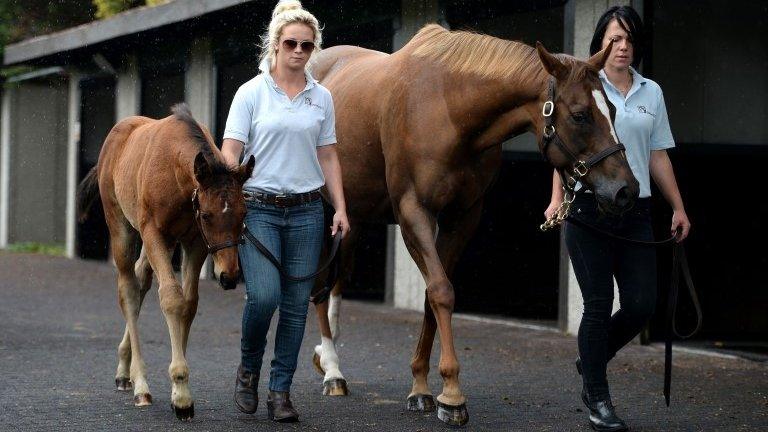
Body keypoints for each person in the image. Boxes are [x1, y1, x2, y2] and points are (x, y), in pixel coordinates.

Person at [544, 6, 690, 432]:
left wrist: (678, 206)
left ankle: (590, 358)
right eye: (614, 39)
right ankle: (599, 399)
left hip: (637, 209)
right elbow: (561, 146)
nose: (622, 47)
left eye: (628, 40)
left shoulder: (652, 92)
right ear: (601, 44)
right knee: (597, 304)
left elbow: (658, 153)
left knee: (642, 304)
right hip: (588, 209)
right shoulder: (583, 86)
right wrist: (556, 198)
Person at [220, 0, 348, 422]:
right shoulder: (250, 93)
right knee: (264, 298)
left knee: (295, 306)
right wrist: (226, 194)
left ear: (314, 50)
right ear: (275, 45)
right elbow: (231, 151)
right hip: (258, 211)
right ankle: (248, 370)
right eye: (291, 43)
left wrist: (340, 208)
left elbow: (328, 155)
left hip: (307, 212)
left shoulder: (322, 97)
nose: (298, 51)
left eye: (307, 46)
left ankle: (280, 392)